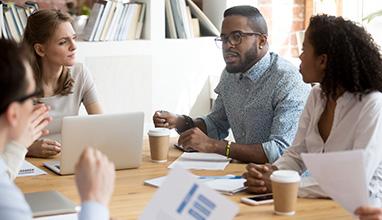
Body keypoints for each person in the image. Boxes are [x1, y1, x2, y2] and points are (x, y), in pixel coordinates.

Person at [243, 14, 382, 202]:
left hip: (362, 208)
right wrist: (270, 173)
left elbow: (355, 181)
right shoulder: (317, 95)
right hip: (316, 202)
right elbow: (297, 154)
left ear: (322, 60)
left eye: (304, 49)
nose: (300, 56)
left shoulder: (372, 105)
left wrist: (282, 184)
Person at [153, 6, 310, 163]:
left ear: (261, 41)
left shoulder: (288, 80)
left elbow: (280, 151)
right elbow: (216, 124)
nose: (227, 45)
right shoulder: (230, 75)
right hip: (243, 174)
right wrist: (181, 122)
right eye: (224, 39)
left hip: (282, 182)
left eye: (237, 36)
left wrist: (214, 145)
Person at [0, 39, 115, 219]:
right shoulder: (7, 202)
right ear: (13, 114)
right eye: (31, 96)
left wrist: (19, 144)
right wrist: (95, 201)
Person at [23, 9, 102, 158]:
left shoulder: (80, 73)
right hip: (26, 167)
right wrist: (29, 149)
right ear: (40, 49)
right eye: (63, 42)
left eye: (73, 38)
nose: (74, 46)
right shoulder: (19, 82)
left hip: (66, 162)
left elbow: (101, 124)